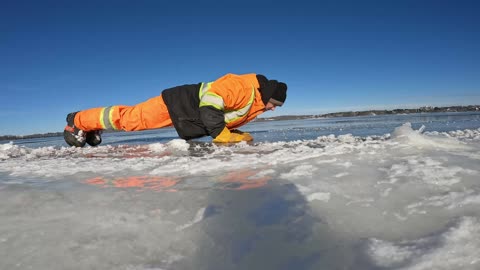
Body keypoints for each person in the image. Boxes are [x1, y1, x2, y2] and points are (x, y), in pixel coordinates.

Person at [63, 73, 287, 147]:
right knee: (130, 120)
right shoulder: (242, 87)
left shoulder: (256, 103)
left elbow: (225, 117)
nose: (273, 109)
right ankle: (78, 121)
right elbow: (211, 103)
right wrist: (220, 135)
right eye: (274, 105)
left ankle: (91, 127)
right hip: (175, 105)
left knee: (131, 120)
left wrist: (232, 134)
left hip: (185, 114)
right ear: (268, 96)